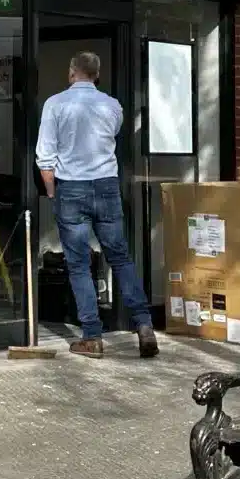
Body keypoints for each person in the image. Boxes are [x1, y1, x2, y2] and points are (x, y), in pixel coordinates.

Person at [36, 51, 158, 360]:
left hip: (71, 188)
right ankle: (144, 325)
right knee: (120, 257)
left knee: (78, 264)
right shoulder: (112, 106)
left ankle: (92, 336)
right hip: (106, 186)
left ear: (71, 72)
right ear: (97, 75)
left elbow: (45, 158)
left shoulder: (55, 105)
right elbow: (111, 136)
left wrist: (52, 192)